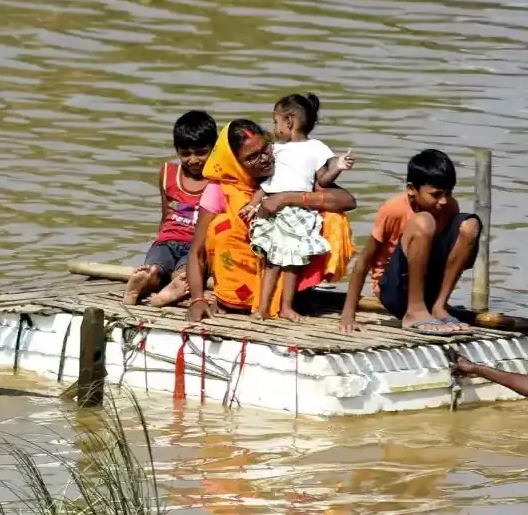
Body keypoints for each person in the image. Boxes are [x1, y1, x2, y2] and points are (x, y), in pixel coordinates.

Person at [186, 119, 357, 322]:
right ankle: (238, 302)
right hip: (237, 296)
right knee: (223, 227)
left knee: (334, 219)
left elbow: (347, 200)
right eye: (252, 158)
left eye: (265, 149)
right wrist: (197, 299)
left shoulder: (289, 170)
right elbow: (197, 251)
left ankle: (290, 300)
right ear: (235, 163)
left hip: (292, 278)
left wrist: (286, 198)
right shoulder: (221, 188)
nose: (265, 159)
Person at [339, 149, 481, 336]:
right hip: (395, 291)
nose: (444, 201)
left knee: (470, 224)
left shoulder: (449, 206)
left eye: (448, 193)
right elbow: (364, 262)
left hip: (429, 286)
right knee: (424, 220)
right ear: (411, 190)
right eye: (436, 194)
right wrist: (348, 315)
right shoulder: (394, 209)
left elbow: (456, 252)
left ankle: (439, 306)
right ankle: (415, 310)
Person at [242, 94, 355, 321]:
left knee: (293, 263)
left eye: (276, 121)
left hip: (299, 212)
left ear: (289, 121)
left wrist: (339, 167)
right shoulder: (275, 149)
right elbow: (266, 185)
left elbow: (323, 179)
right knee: (272, 262)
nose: (274, 127)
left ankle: (286, 307)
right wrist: (253, 205)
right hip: (272, 210)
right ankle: (262, 309)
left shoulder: (316, 147)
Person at [124, 110, 218, 307]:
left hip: (192, 246)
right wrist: (160, 239)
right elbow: (165, 216)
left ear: (214, 148)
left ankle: (158, 284)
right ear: (177, 150)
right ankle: (151, 285)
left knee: (171, 270)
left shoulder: (219, 180)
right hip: (170, 241)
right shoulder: (168, 174)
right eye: (185, 153)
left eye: (201, 152)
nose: (193, 159)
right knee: (167, 270)